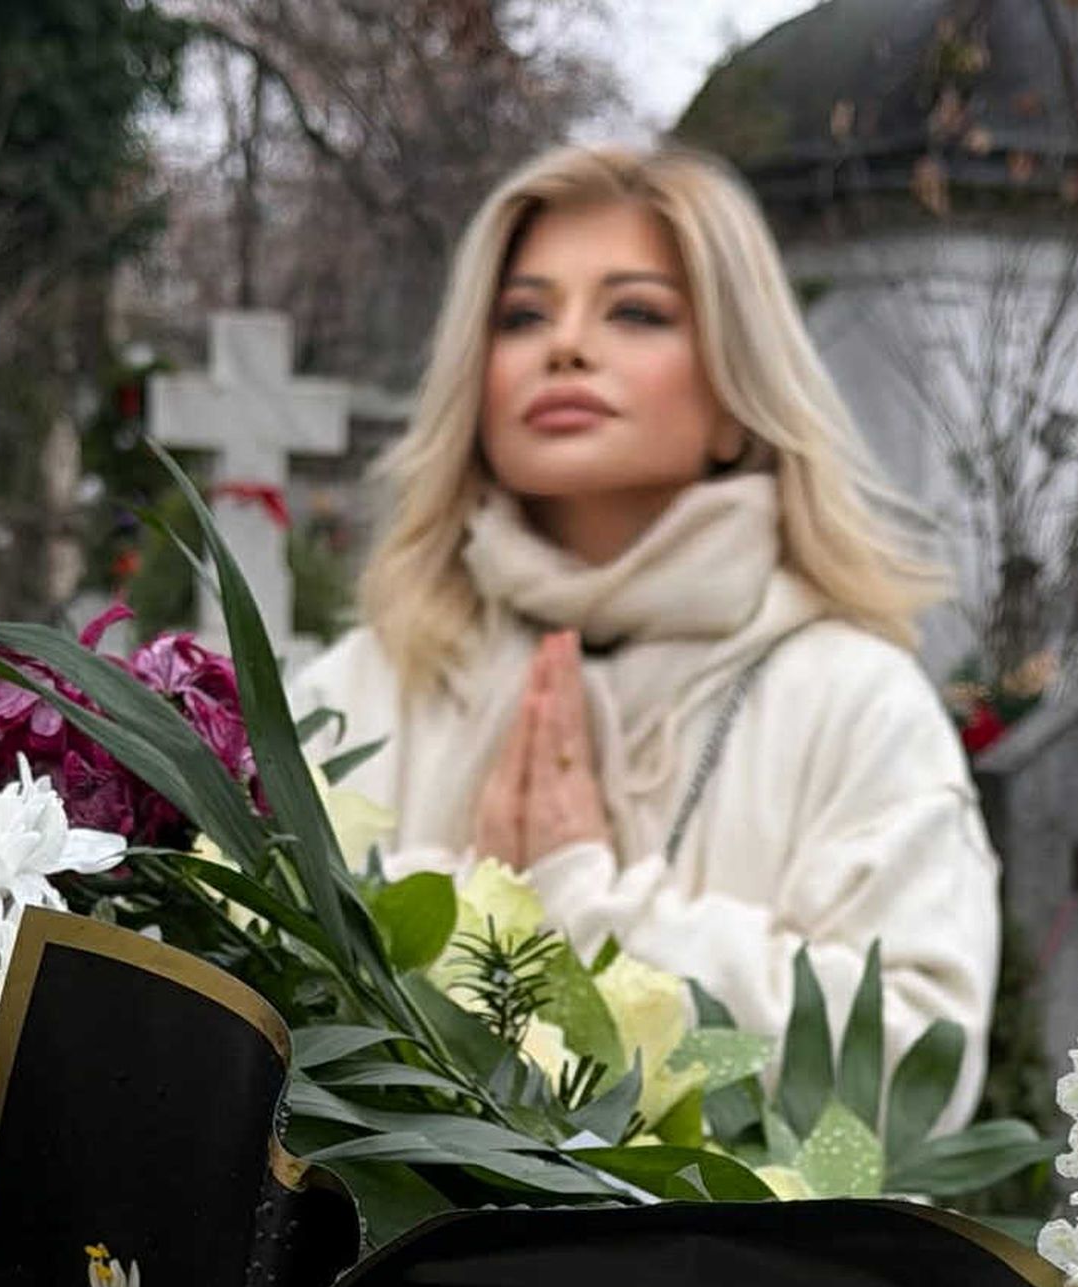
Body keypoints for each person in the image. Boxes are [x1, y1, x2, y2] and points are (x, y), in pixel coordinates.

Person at [292, 143, 1000, 1119]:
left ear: (736, 393)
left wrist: (582, 904)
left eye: (635, 312)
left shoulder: (854, 700)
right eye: (523, 316)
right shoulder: (369, 684)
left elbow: (917, 1069)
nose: (566, 346)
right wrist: (472, 906)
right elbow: (253, 985)